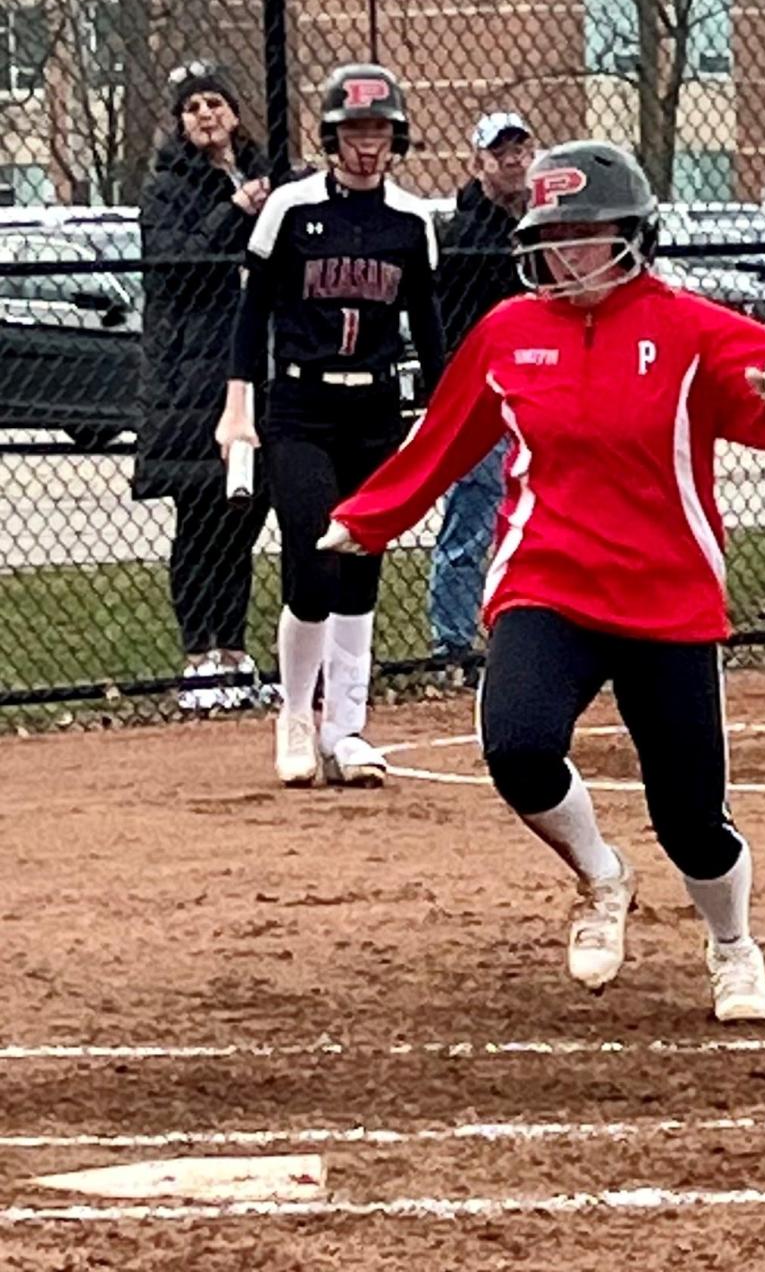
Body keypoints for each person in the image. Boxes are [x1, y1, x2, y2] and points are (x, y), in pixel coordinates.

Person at [316, 141, 765, 1022]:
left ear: (633, 236)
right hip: (548, 581)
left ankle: (732, 946)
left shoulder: (690, 329)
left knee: (692, 819)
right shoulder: (511, 332)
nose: (568, 256)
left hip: (667, 597)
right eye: (554, 237)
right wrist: (367, 518)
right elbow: (442, 441)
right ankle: (603, 879)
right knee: (518, 744)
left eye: (588, 235)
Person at [215, 63, 444, 788]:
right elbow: (252, 317)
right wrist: (237, 406)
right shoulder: (291, 209)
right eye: (353, 131)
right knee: (313, 562)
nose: (366, 145)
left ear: (396, 136)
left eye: (378, 130)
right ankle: (296, 716)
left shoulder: (410, 221)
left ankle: (347, 727)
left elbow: (429, 331)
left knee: (363, 566)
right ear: (330, 137)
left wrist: (440, 419)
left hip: (375, 410)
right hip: (301, 408)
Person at [134, 58, 272, 712]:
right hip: (198, 380)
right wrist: (232, 211)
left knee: (244, 516)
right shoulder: (168, 188)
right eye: (193, 108)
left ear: (235, 113)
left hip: (262, 372)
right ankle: (200, 656)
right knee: (200, 518)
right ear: (180, 122)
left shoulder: (263, 176)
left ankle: (235, 651)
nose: (206, 116)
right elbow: (178, 265)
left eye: (215, 103)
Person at [428, 112, 536, 672]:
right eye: (501, 152)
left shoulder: (540, 224)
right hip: (484, 394)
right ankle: (452, 642)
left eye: (521, 149)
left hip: (537, 391)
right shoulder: (465, 231)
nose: (514, 160)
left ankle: (520, 629)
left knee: (532, 516)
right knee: (475, 514)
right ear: (480, 163)